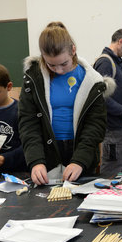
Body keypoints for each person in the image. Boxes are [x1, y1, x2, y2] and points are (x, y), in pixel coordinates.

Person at [18, 21, 115, 185]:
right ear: (42, 57)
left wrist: (79, 160)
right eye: (51, 65)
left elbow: (95, 125)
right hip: (46, 154)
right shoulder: (33, 78)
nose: (59, 70)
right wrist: (36, 161)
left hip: (81, 152)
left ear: (73, 50)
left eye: (64, 64)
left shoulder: (91, 81)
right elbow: (28, 123)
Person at [94, 29, 122, 178]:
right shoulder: (105, 62)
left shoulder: (114, 62)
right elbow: (101, 97)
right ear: (121, 41)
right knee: (111, 172)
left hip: (119, 128)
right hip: (111, 131)